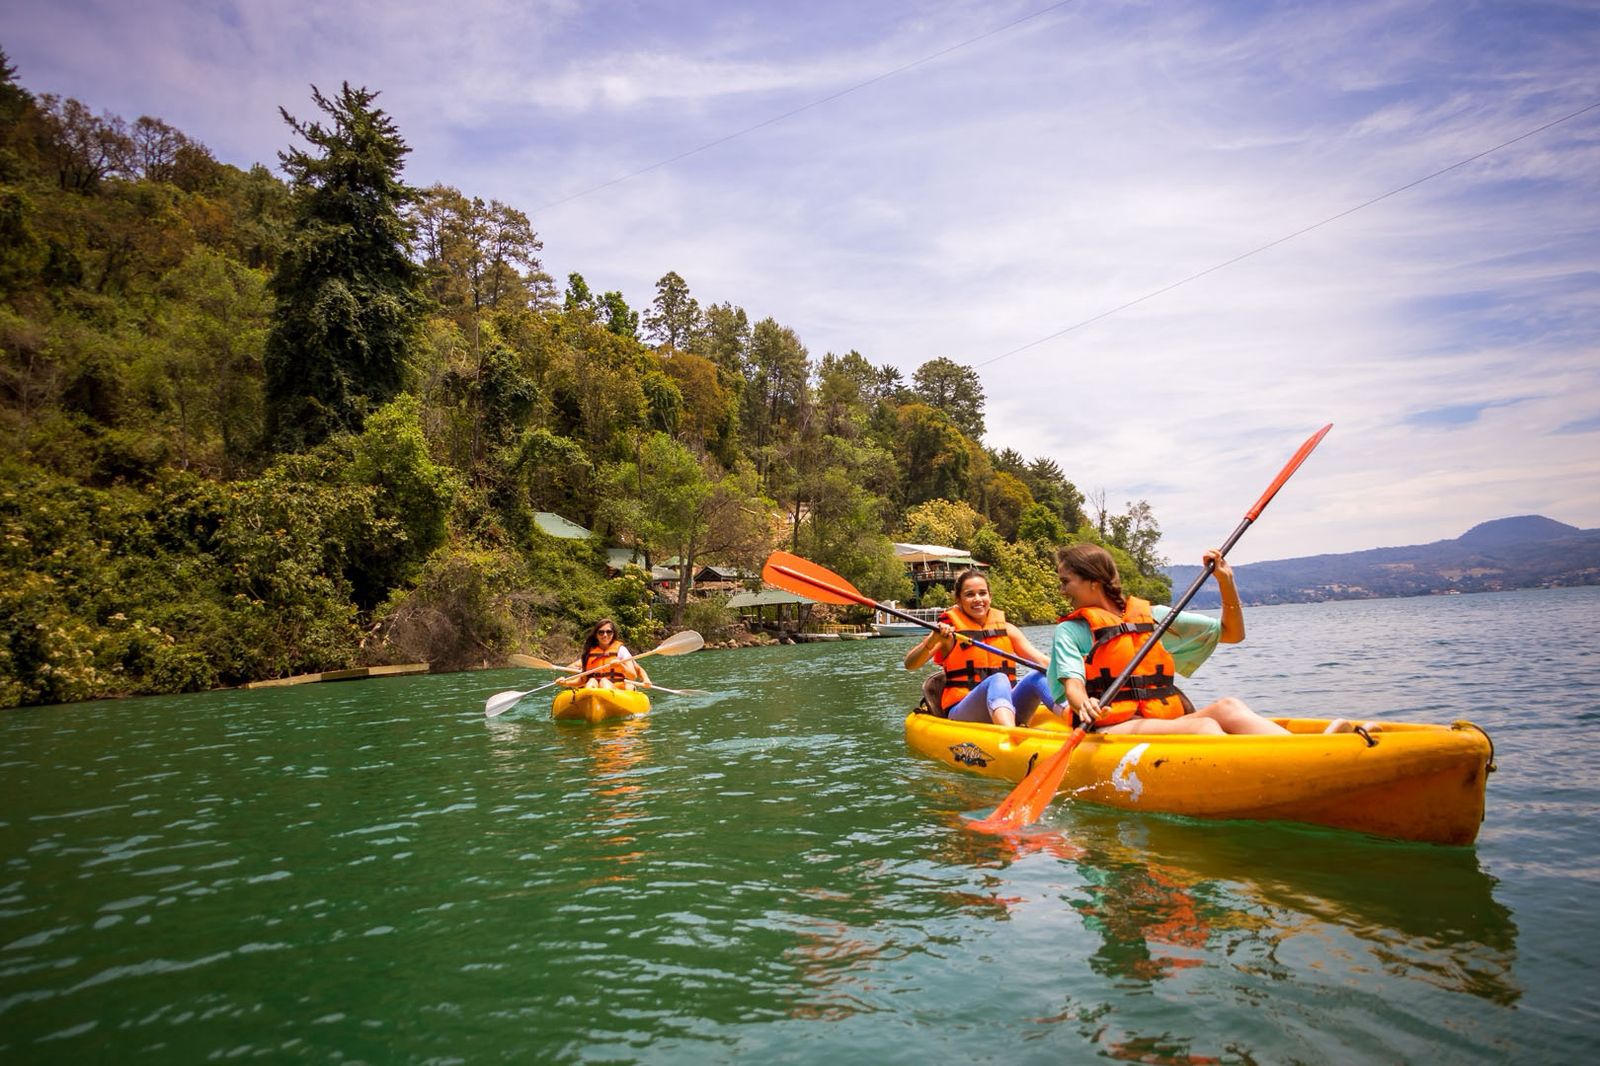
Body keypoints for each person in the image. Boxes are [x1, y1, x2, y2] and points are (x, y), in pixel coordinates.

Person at [1047, 543, 1295, 736]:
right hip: (1108, 727)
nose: (1061, 590)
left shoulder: (1155, 618)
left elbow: (1233, 634)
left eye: (1065, 582)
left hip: (1158, 720)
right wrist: (1084, 704)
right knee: (1204, 727)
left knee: (1228, 707)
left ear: (1094, 583)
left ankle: (1303, 752)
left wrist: (1225, 581)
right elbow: (1073, 687)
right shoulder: (1070, 630)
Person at [904, 569, 1054, 726]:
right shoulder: (948, 633)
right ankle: (1010, 736)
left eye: (982, 593)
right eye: (970, 594)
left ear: (990, 596)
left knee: (1037, 676)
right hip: (963, 711)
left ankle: (1075, 717)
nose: (978, 599)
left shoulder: (1007, 630)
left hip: (1005, 707)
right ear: (958, 599)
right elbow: (910, 664)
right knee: (998, 678)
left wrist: (1076, 673)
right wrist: (932, 639)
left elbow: (1042, 661)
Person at [563, 619, 650, 690]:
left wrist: (620, 666)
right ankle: (592, 702)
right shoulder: (590, 653)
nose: (605, 635)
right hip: (595, 687)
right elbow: (580, 678)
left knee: (604, 682)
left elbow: (634, 674)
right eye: (601, 632)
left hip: (617, 687)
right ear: (596, 635)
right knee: (591, 681)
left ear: (613, 634)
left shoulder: (621, 651)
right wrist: (566, 682)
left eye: (609, 632)